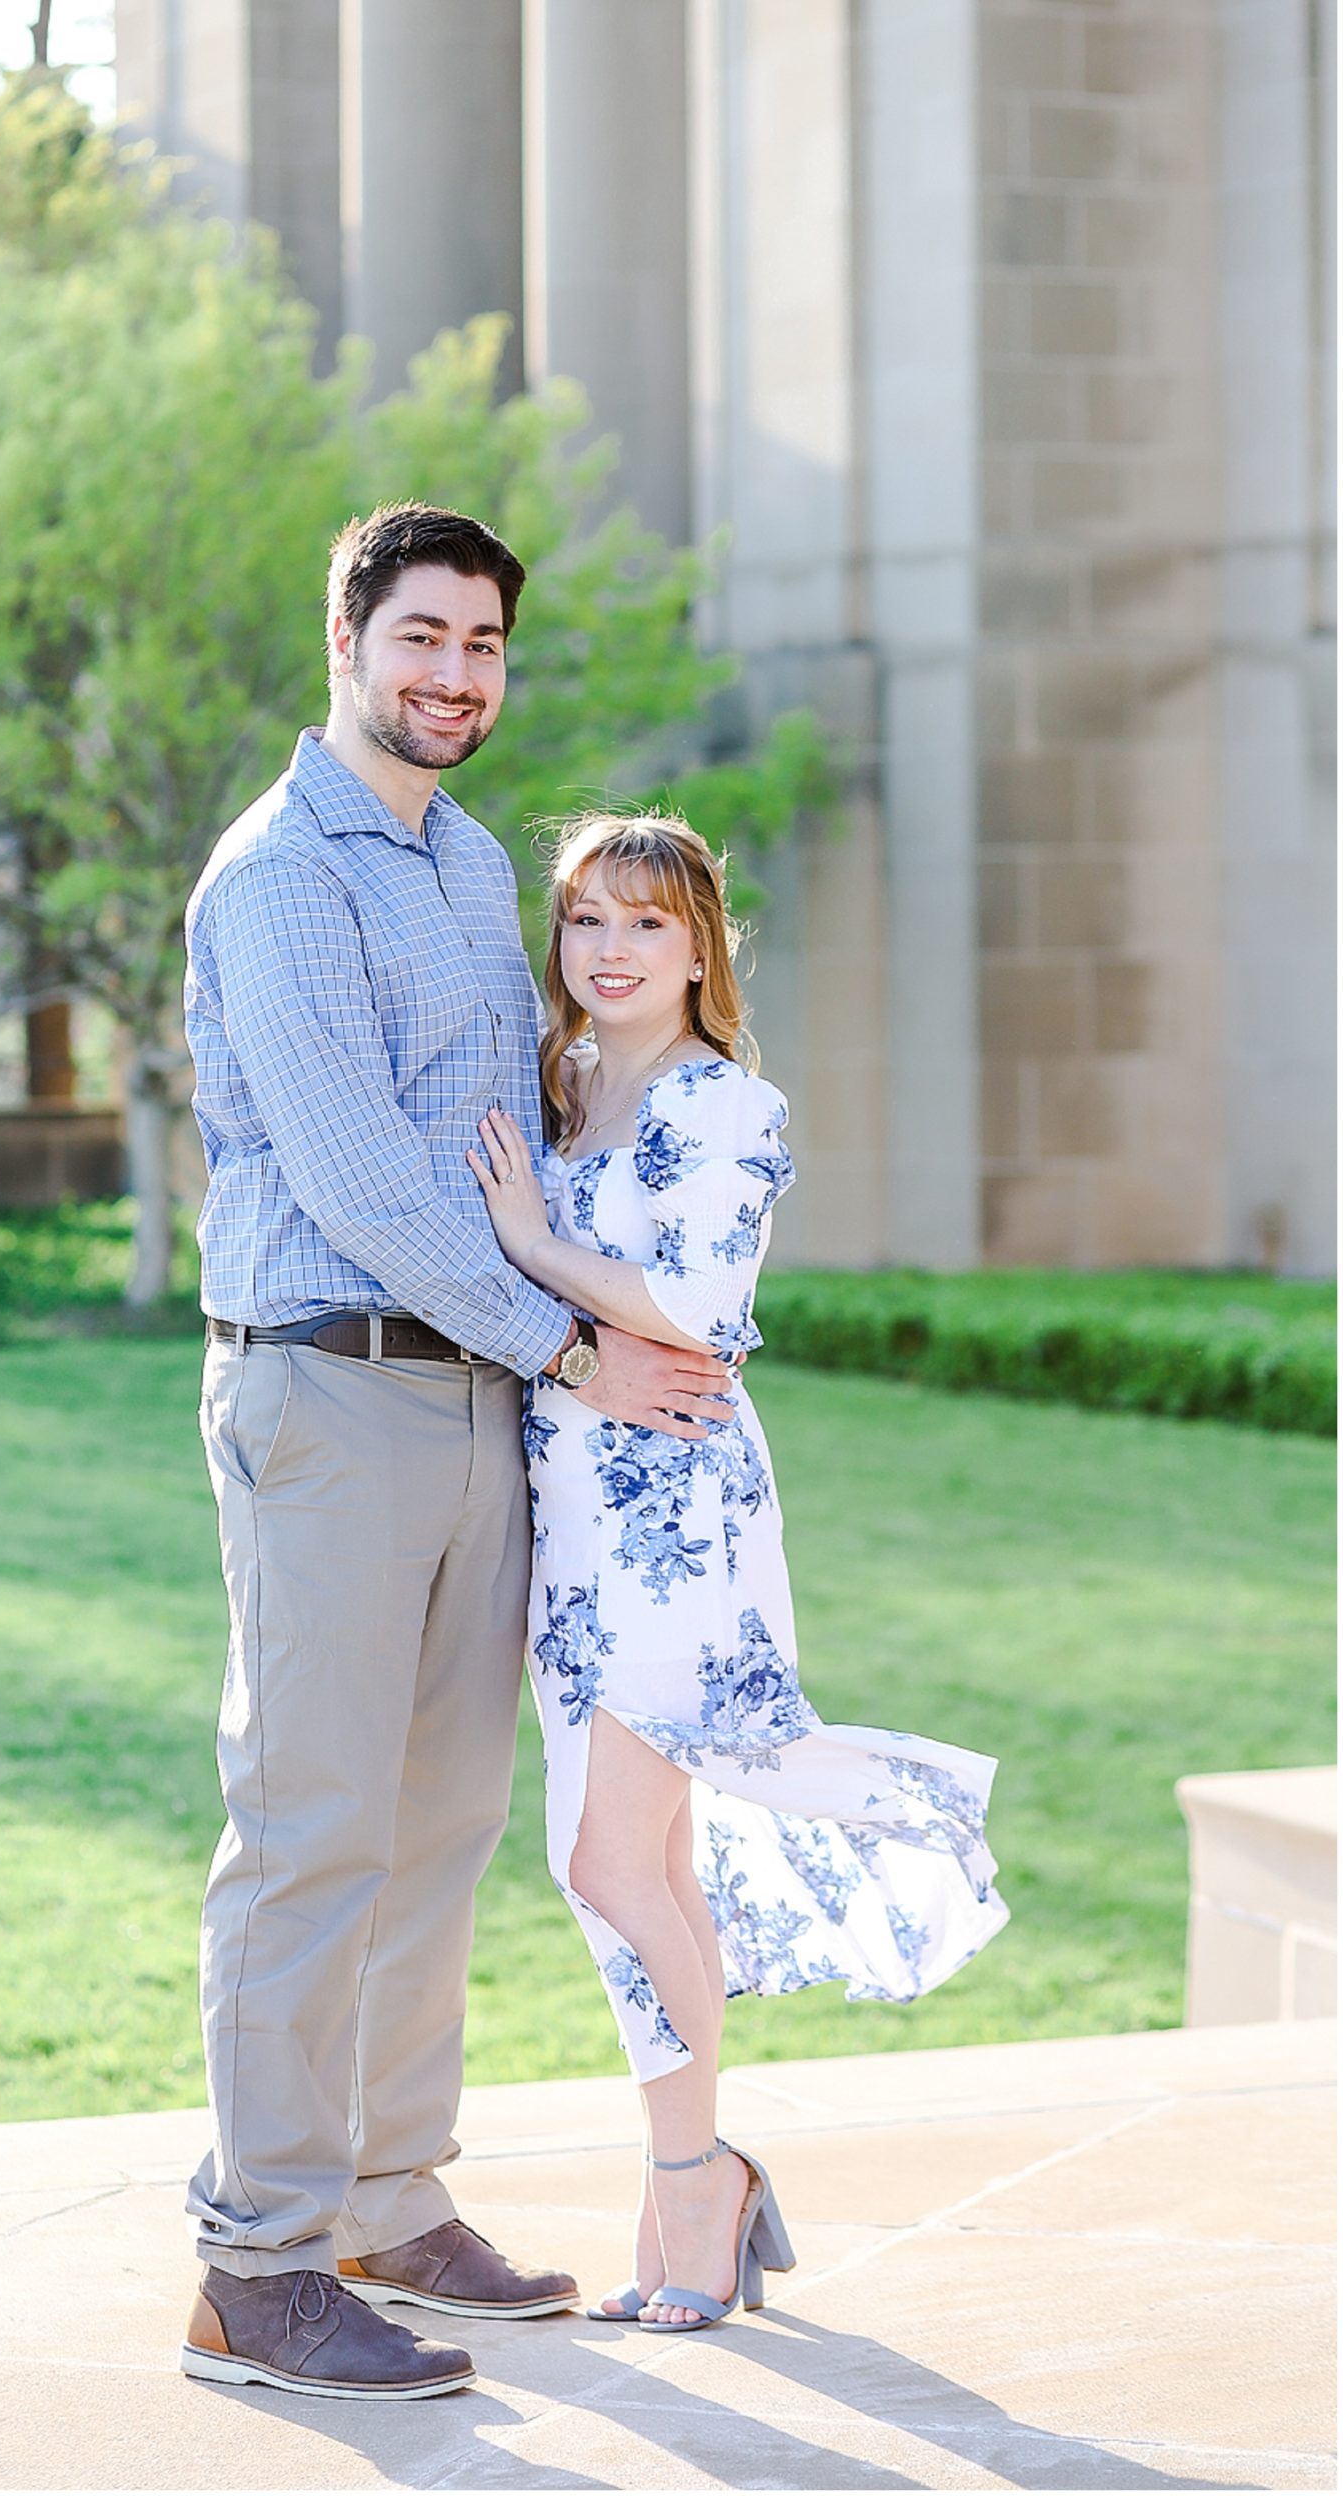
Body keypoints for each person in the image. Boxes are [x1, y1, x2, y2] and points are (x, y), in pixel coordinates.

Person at [177, 506, 740, 2403]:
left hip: (483, 1399)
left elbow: (512, 1153)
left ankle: (385, 2198)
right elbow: (358, 1180)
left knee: (441, 1829)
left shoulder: (471, 855)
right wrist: (582, 1345)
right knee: (313, 1830)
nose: (452, 675)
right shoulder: (278, 878)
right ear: (346, 638)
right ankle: (254, 2266)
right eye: (420, 636)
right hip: (326, 1387)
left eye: (482, 646)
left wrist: (654, 1279)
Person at [467, 810, 1009, 2331]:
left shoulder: (727, 1109)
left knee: (608, 1861)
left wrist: (527, 1236)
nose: (612, 951)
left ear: (700, 944)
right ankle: (689, 2177)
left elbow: (697, 1308)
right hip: (564, 1506)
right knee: (626, 1869)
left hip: (675, 1508)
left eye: (646, 923)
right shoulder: (560, 1085)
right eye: (584, 922)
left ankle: (695, 2180)